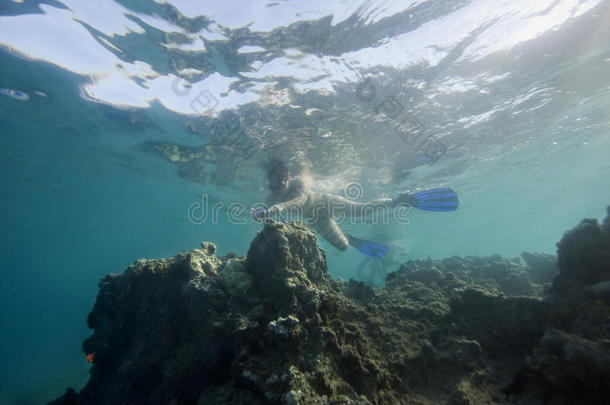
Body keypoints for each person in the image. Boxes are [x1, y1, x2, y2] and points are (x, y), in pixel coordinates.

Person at [252, 158, 458, 258]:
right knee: (342, 246)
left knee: (364, 210)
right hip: (316, 219)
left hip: (325, 202)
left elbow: (299, 202)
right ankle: (350, 238)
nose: (279, 183)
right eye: (274, 180)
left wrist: (272, 211)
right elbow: (270, 219)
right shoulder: (271, 197)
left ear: (288, 177)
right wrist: (263, 215)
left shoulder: (300, 184)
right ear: (268, 179)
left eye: (282, 178)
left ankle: (400, 200)